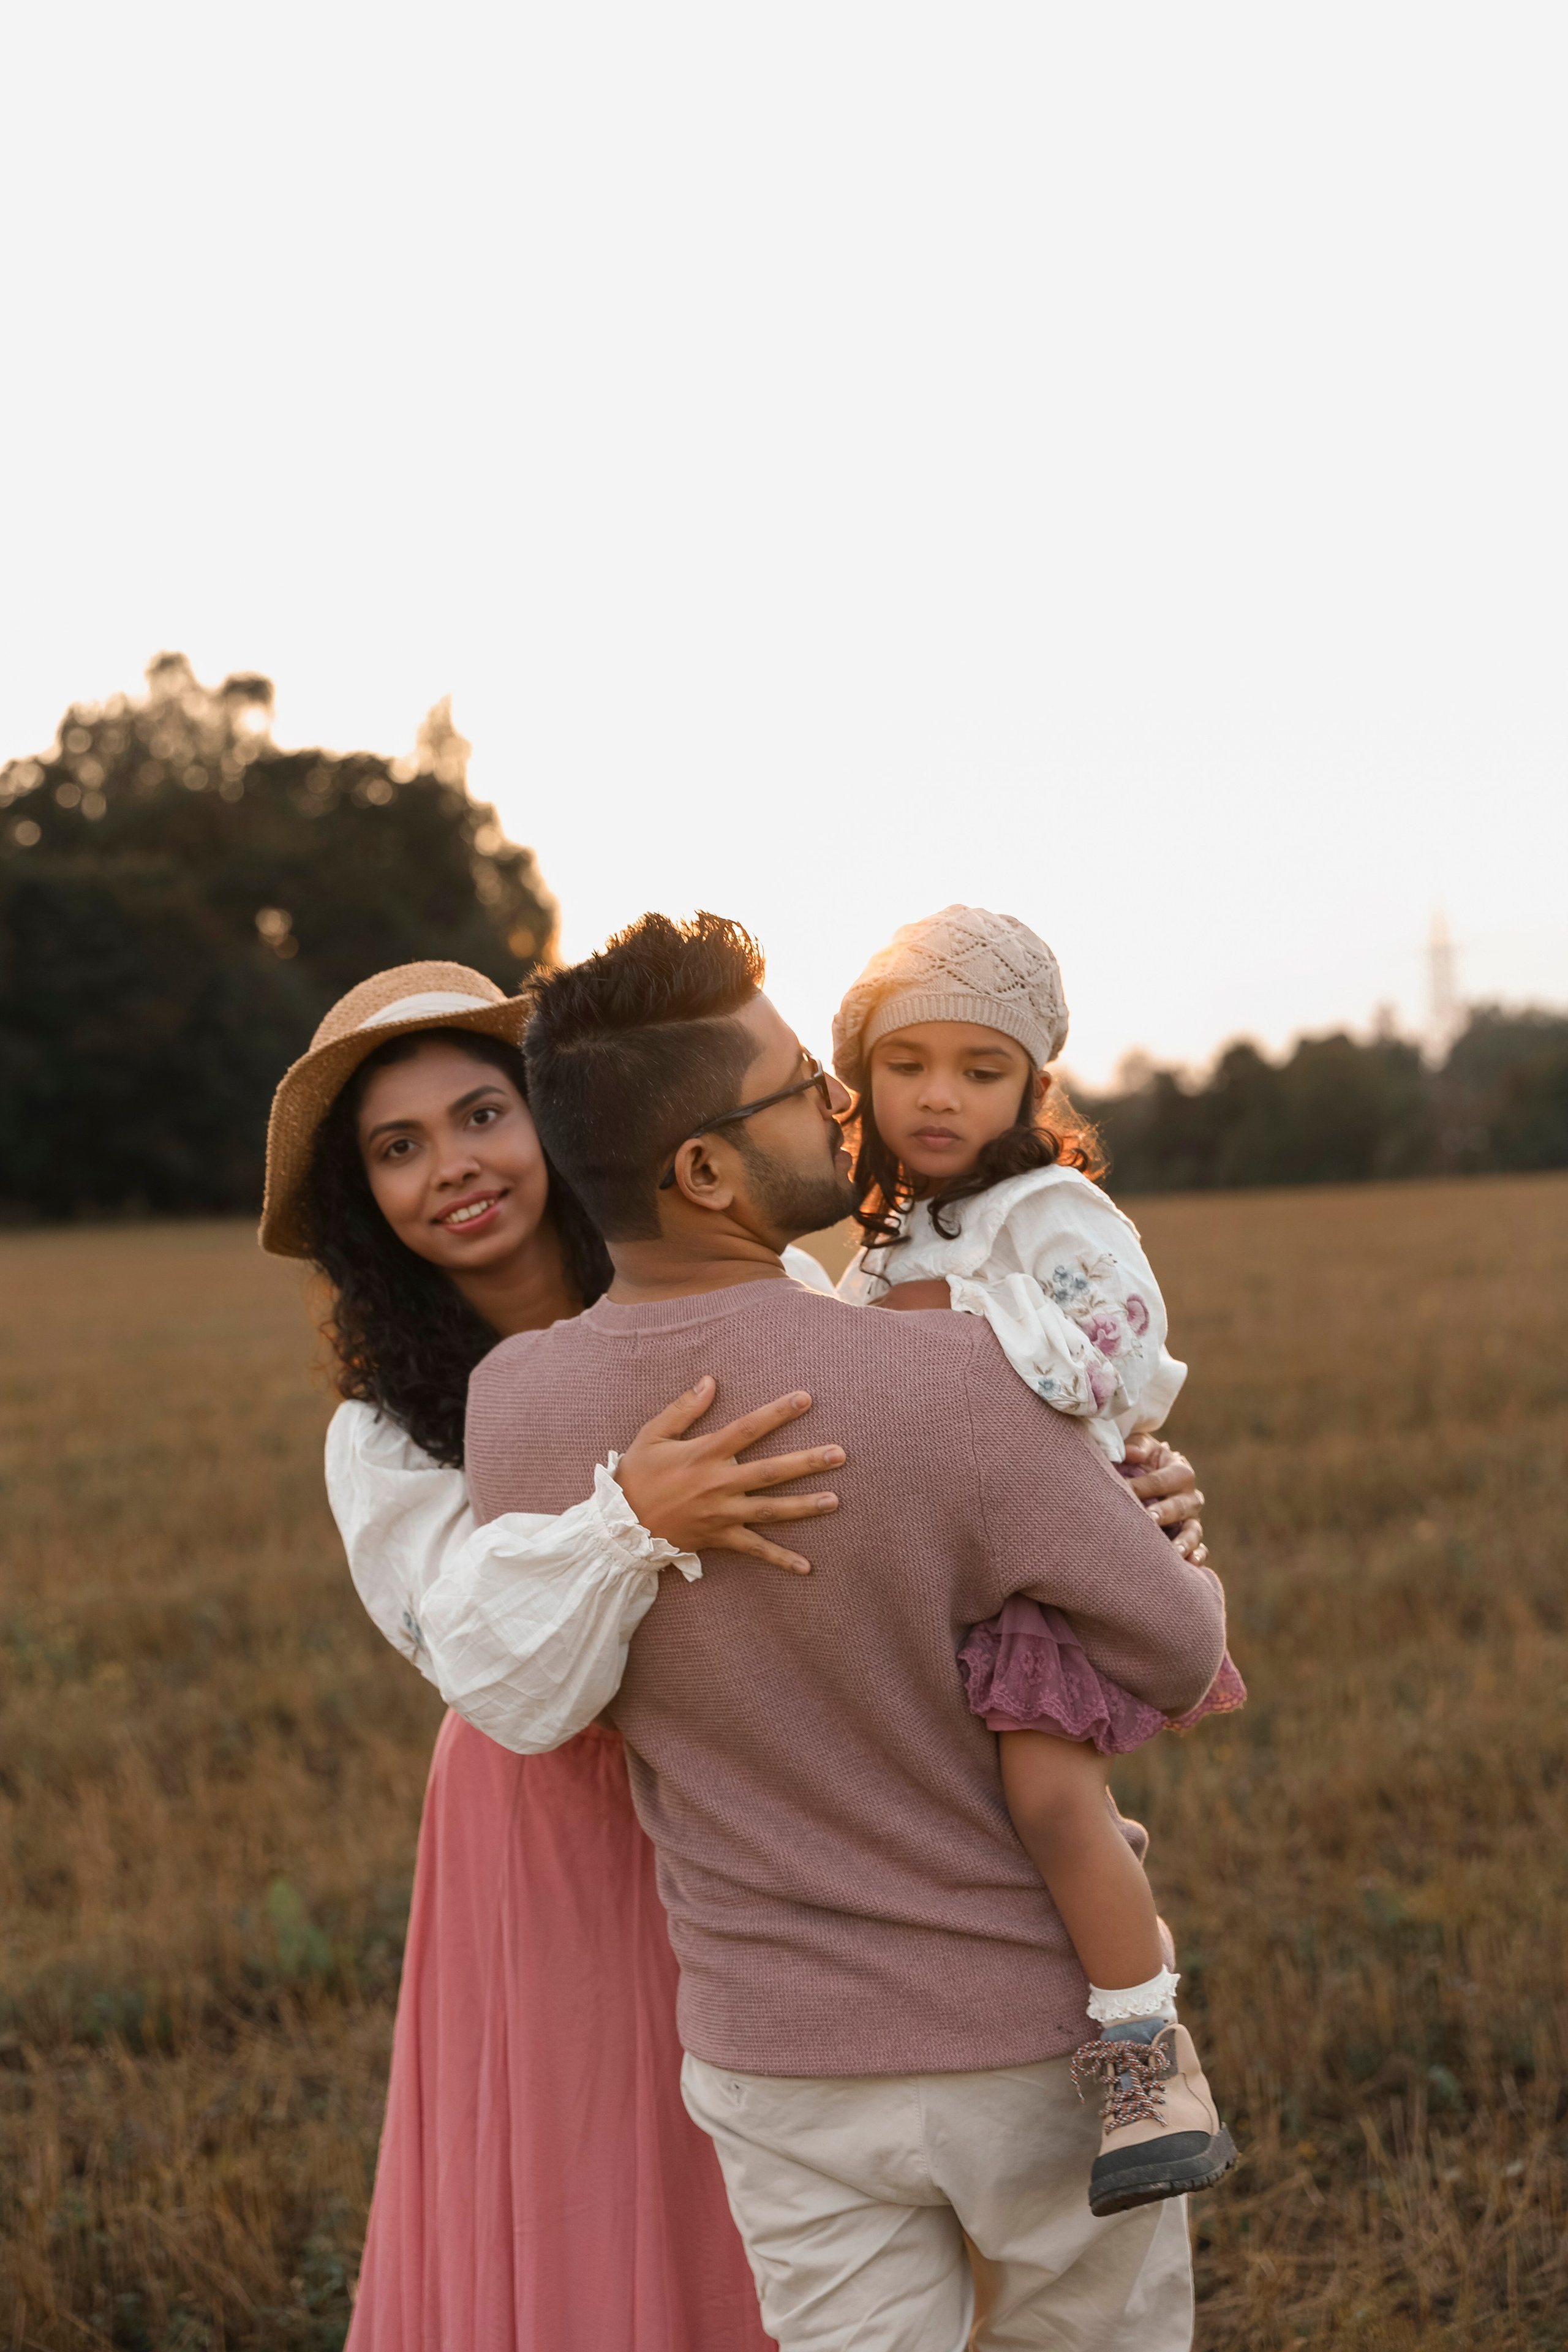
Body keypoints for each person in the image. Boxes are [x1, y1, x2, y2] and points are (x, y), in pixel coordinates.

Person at [465, 911, 1232, 2351]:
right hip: (1024, 2041)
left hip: (772, 2061)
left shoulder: (510, 1412)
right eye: (800, 1086)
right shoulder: (953, 1380)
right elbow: (1174, 1655)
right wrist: (1172, 1530)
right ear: (702, 1168)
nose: (842, 1100)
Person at [259, 959, 851, 2351]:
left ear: (556, 1122)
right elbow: (494, 1662)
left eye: (480, 1116)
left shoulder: (737, 1280)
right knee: (600, 2173)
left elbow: (888, 1468)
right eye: (397, 1150)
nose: (450, 1170)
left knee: (818, 2181)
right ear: (365, 1200)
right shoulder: (386, 1431)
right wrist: (627, 1520)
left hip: (761, 1776)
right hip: (552, 1825)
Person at [832, 903, 1244, 2217]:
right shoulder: (892, 1233)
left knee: (1049, 1797)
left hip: (1049, 1563)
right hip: (947, 1563)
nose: (936, 1096)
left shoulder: (1048, 1208)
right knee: (995, 1792)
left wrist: (954, 1329)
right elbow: (844, 1369)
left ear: (1030, 1085)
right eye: (905, 1065)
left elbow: (1119, 1352)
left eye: (977, 1068)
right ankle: (1089, 1868)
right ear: (861, 1075)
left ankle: (1144, 2055)